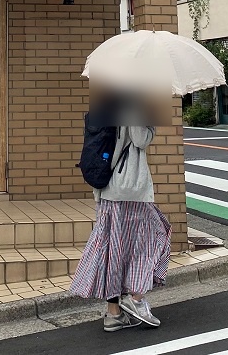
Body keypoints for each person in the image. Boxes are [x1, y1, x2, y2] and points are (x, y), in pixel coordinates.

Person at [69, 111, 171, 332]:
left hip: (107, 189)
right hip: (128, 189)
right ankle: (136, 298)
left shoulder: (109, 103)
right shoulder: (132, 103)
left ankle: (113, 314)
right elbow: (140, 139)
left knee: (114, 250)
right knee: (153, 239)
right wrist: (150, 123)